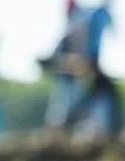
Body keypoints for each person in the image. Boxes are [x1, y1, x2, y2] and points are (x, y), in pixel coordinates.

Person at [66, 1, 123, 138]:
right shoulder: (98, 14)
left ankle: (71, 120)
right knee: (102, 91)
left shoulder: (96, 14)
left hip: (93, 59)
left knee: (97, 91)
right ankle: (70, 120)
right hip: (91, 59)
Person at [42, 0, 84, 129]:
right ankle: (55, 135)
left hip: (72, 76)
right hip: (64, 76)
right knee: (59, 107)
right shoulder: (68, 26)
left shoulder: (77, 25)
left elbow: (77, 54)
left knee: (68, 108)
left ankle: (62, 134)